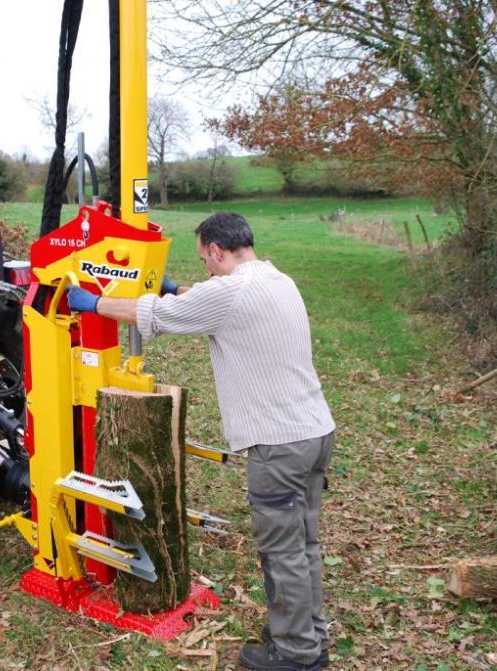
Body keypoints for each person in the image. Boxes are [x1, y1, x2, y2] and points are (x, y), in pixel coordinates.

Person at [67, 212, 335, 671]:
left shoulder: (228, 292)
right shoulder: (276, 279)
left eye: (205, 260)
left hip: (278, 445)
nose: (205, 268)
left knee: (282, 551)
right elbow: (207, 300)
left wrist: (88, 302)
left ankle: (296, 653)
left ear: (217, 250)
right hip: (314, 433)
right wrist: (173, 288)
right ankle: (310, 633)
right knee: (304, 543)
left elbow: (148, 313)